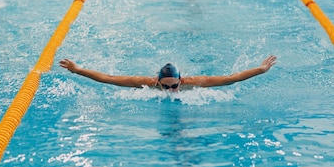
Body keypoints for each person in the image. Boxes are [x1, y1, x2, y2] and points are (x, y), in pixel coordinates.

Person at [59, 56, 277, 92]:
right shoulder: (147, 84)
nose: (172, 90)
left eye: (175, 86)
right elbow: (109, 79)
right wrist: (77, 70)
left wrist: (260, 70)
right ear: (157, 81)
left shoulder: (192, 84)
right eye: (167, 87)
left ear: (181, 80)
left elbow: (231, 79)